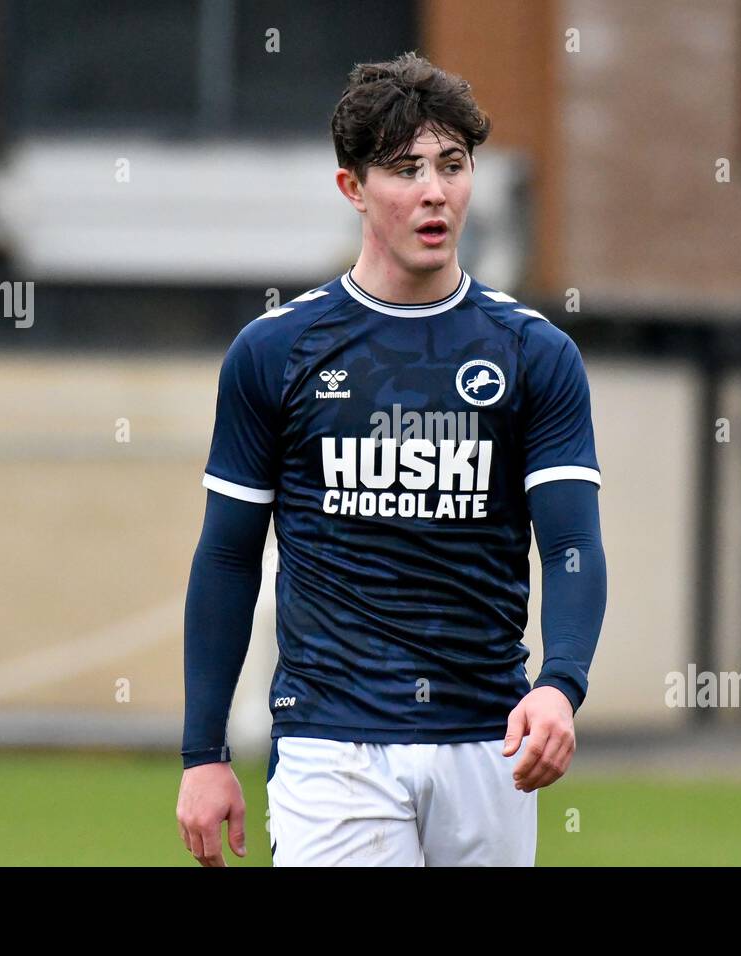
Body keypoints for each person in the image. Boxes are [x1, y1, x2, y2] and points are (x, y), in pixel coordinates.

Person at [176, 51, 607, 867]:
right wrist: (204, 752)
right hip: (332, 743)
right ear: (353, 188)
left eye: (452, 164)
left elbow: (572, 544)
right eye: (405, 169)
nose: (434, 190)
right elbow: (229, 556)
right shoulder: (276, 352)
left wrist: (562, 683)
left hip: (490, 743)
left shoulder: (533, 354)